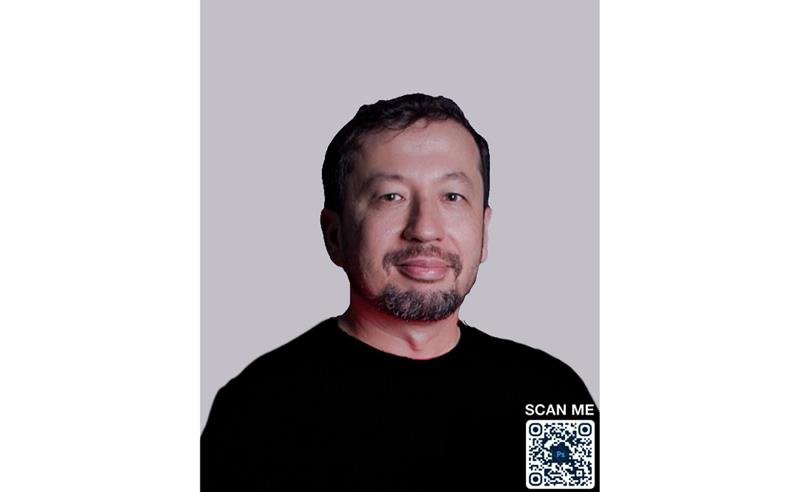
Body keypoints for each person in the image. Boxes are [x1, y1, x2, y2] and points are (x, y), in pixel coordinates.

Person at [202, 93, 598, 491]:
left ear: (484, 229)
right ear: (335, 235)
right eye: (391, 197)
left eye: (452, 196)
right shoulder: (257, 410)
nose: (425, 229)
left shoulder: (551, 397)